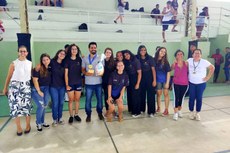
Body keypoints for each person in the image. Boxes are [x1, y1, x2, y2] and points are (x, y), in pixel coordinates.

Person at [3, 45, 32, 136]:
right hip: (14, 88)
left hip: (26, 87)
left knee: (27, 108)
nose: (22, 53)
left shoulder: (30, 63)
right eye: (21, 51)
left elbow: (31, 76)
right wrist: (5, 88)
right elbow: (9, 76)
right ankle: (18, 127)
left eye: (24, 51)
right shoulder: (13, 63)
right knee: (15, 108)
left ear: (27, 53)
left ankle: (28, 126)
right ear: (18, 52)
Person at [187, 49, 214, 121]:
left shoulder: (204, 62)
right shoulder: (189, 60)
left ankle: (197, 112)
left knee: (199, 98)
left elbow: (212, 68)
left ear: (201, 55)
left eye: (198, 53)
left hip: (201, 84)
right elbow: (183, 66)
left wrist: (208, 77)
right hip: (191, 83)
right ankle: (191, 112)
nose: (197, 55)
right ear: (192, 55)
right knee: (191, 98)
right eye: (195, 53)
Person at [82, 42, 104, 122]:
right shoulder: (85, 59)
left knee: (99, 100)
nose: (93, 49)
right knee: (88, 100)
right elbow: (83, 69)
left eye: (95, 47)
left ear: (96, 48)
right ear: (89, 49)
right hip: (89, 83)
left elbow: (103, 69)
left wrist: (100, 73)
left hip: (98, 82)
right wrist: (85, 73)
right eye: (92, 47)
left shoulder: (100, 58)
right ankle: (88, 115)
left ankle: (100, 113)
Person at [31, 53, 51, 131]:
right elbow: (35, 80)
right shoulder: (38, 67)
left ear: (49, 60)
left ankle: (42, 122)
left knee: (44, 105)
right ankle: (38, 123)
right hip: (36, 89)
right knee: (41, 106)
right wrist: (39, 91)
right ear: (41, 61)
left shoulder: (50, 67)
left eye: (47, 59)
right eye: (44, 60)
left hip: (46, 88)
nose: (45, 61)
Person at [136, 45, 156, 117]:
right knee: (141, 94)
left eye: (144, 50)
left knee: (151, 95)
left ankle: (151, 112)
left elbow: (153, 70)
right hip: (141, 78)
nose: (143, 51)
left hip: (149, 78)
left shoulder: (150, 58)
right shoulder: (136, 58)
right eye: (141, 50)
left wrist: (154, 80)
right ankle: (142, 109)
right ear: (139, 51)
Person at [65, 44, 82, 124]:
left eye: (75, 49)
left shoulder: (79, 59)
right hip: (70, 84)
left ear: (77, 50)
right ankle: (71, 116)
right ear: (70, 50)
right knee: (71, 100)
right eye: (72, 49)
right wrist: (67, 84)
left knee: (77, 100)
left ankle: (76, 114)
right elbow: (66, 74)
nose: (74, 50)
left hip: (78, 83)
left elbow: (82, 70)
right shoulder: (67, 60)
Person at [50, 49, 66, 126]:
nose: (62, 55)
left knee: (61, 103)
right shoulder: (52, 62)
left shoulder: (64, 64)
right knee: (55, 103)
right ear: (57, 54)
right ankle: (54, 119)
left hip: (62, 86)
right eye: (61, 53)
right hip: (53, 87)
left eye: (64, 54)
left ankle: (60, 118)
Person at [123, 50, 142, 118]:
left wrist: (138, 83)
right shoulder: (126, 62)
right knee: (130, 95)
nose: (126, 56)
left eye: (127, 54)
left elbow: (139, 73)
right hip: (129, 80)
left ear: (130, 54)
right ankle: (131, 109)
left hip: (135, 79)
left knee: (135, 96)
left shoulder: (136, 61)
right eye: (125, 56)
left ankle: (137, 112)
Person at [171, 50, 189, 121]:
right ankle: (175, 113)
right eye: (178, 54)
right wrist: (173, 63)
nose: (180, 55)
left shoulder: (186, 63)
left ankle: (179, 110)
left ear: (183, 55)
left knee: (181, 98)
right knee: (176, 97)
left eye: (181, 54)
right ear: (176, 56)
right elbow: (169, 69)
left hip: (185, 84)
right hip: (176, 83)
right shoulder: (174, 64)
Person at [154, 47, 171, 116]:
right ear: (158, 51)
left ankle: (166, 110)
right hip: (157, 81)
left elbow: (168, 73)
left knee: (166, 94)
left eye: (164, 52)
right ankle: (158, 108)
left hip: (164, 81)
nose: (163, 53)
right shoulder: (154, 60)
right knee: (158, 94)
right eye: (162, 51)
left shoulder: (166, 62)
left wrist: (167, 83)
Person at [102, 48, 116, 117]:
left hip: (112, 83)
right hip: (104, 82)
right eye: (107, 52)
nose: (108, 54)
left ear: (111, 54)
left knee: (112, 97)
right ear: (104, 53)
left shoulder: (114, 62)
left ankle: (113, 110)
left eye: (110, 53)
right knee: (106, 97)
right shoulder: (102, 61)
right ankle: (107, 110)